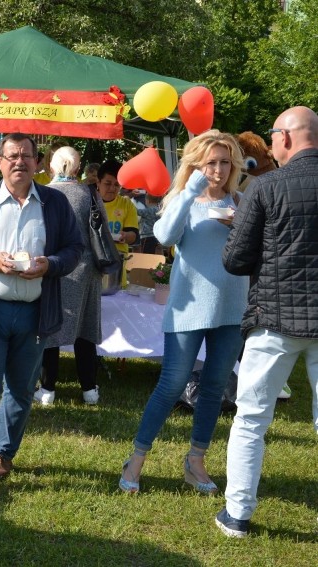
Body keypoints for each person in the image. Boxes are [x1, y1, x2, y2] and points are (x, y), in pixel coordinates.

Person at [119, 130, 248, 496]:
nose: (218, 170)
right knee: (171, 385)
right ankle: (137, 459)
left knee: (214, 388)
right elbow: (165, 234)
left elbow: (256, 250)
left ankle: (195, 461)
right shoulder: (183, 199)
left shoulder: (240, 201)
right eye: (211, 163)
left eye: (225, 162)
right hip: (189, 308)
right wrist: (191, 190)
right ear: (196, 164)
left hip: (232, 308)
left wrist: (242, 226)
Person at [0, 133, 83, 490]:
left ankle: (2, 455)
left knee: (22, 388)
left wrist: (51, 264)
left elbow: (75, 248)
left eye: (26, 156)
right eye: (12, 156)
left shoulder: (54, 203)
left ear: (39, 162)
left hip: (35, 312)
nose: (19, 162)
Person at [216, 106, 318, 538]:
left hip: (274, 316)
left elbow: (235, 259)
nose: (270, 142)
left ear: (289, 137)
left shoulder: (267, 187)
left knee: (251, 418)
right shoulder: (269, 184)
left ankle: (237, 515)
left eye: (274, 134)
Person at [36, 146, 103, 406]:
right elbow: (101, 231)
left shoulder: (44, 195)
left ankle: (48, 389)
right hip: (87, 270)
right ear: (78, 167)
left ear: (52, 166)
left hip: (53, 267)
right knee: (85, 330)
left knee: (50, 327)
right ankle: (89, 390)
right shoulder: (90, 195)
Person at [97, 159, 138, 286]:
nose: (112, 188)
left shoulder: (126, 204)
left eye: (116, 185)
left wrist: (125, 236)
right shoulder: (89, 202)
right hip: (93, 265)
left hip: (117, 267)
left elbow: (134, 236)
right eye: (107, 183)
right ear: (98, 182)